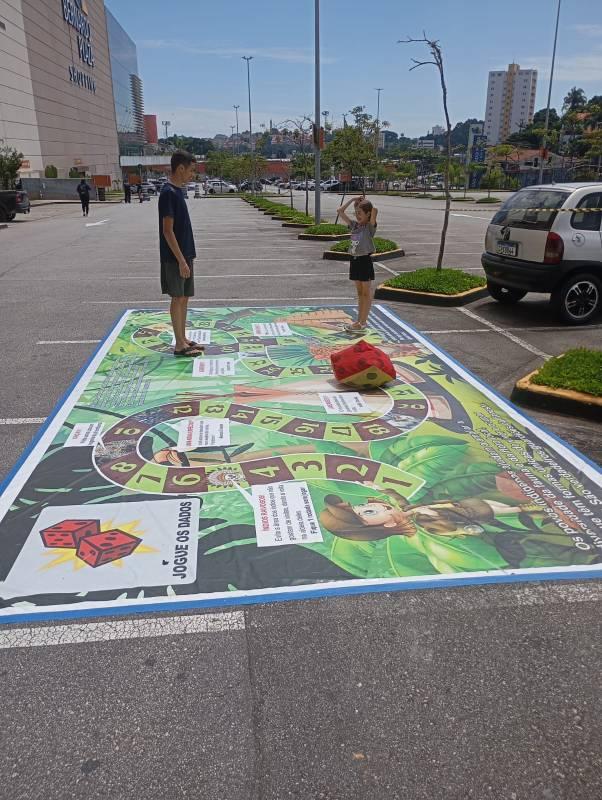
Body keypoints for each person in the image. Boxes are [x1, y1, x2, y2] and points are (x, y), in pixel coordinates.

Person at [158, 150, 203, 357]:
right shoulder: (168, 193)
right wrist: (181, 261)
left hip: (185, 254)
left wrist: (187, 258)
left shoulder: (178, 191)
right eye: (191, 170)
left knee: (184, 297)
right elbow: (167, 231)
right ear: (181, 168)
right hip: (175, 258)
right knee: (177, 297)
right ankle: (179, 345)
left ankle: (183, 339)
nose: (192, 175)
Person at [336, 196, 378, 333]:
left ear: (368, 214)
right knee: (360, 293)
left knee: (366, 293)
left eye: (360, 213)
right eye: (356, 213)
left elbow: (375, 210)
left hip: (364, 261)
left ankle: (363, 322)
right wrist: (353, 200)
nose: (357, 216)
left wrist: (365, 205)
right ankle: (358, 321)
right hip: (354, 261)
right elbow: (340, 211)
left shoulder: (369, 227)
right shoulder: (354, 225)